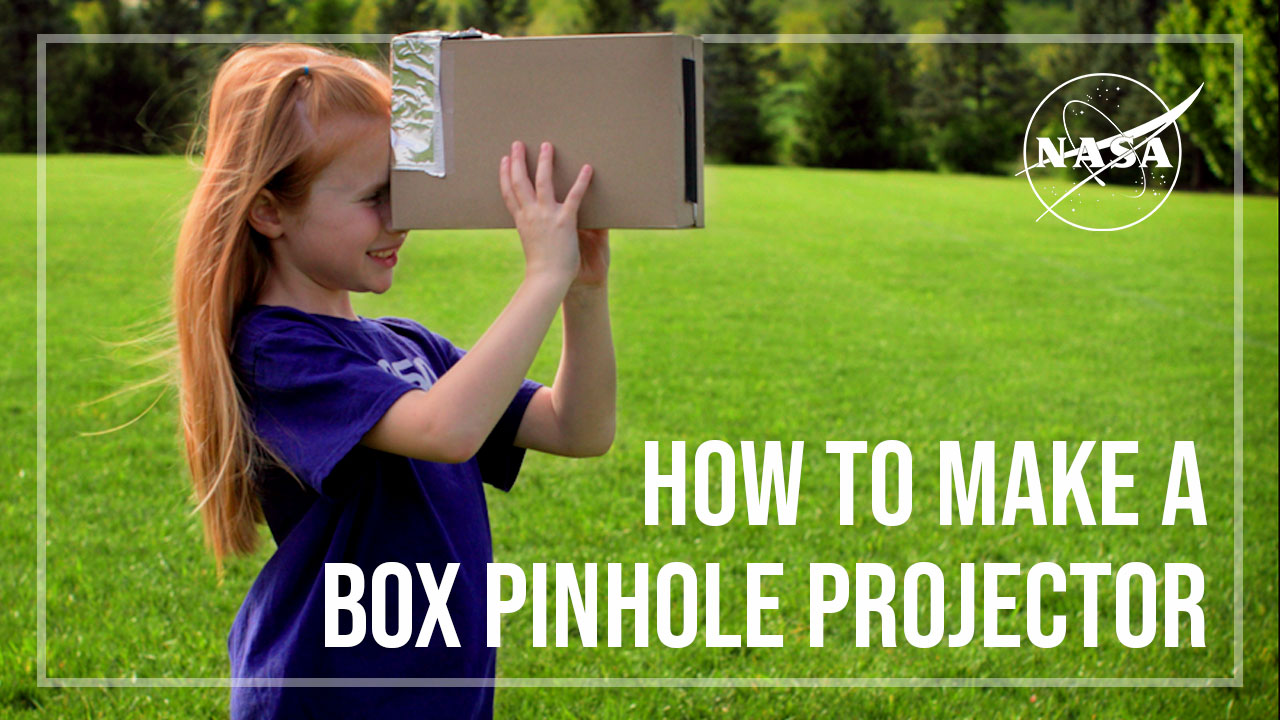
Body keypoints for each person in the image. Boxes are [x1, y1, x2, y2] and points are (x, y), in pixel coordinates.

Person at [171, 44, 615, 718]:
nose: (399, 218)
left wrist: (581, 292)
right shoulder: (274, 354)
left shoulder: (404, 348)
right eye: (373, 197)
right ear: (269, 212)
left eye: (403, 189)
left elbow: (576, 428)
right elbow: (447, 430)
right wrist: (540, 276)